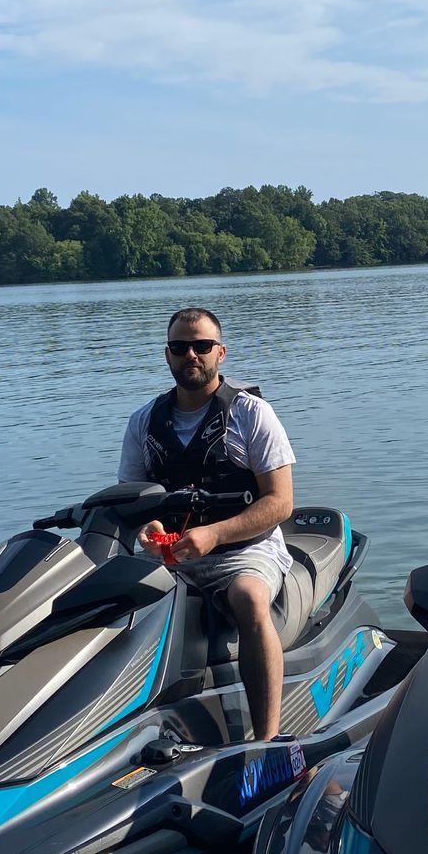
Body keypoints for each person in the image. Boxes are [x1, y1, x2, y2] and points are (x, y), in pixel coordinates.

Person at [118, 307, 296, 742]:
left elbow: (281, 502)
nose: (191, 356)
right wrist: (149, 524)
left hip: (244, 552)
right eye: (180, 348)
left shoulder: (251, 414)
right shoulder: (144, 421)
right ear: (167, 356)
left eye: (201, 346)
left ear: (220, 352)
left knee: (250, 601)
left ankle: (267, 739)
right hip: (171, 554)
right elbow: (131, 500)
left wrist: (215, 533)